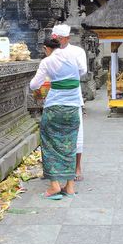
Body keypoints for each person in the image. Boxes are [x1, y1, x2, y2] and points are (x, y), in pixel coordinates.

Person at [29, 37, 82, 199]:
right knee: (69, 145)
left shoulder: (47, 61)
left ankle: (54, 186)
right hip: (73, 109)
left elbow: (34, 85)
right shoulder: (73, 58)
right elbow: (80, 74)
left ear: (46, 48)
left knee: (49, 144)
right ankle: (70, 186)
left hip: (54, 109)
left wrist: (50, 82)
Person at [52, 24, 87, 182]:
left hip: (72, 97)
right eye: (55, 38)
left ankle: (77, 166)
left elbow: (82, 70)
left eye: (60, 38)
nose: (58, 41)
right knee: (56, 133)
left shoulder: (77, 52)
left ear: (67, 38)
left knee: (76, 132)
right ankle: (58, 166)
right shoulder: (51, 51)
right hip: (55, 97)